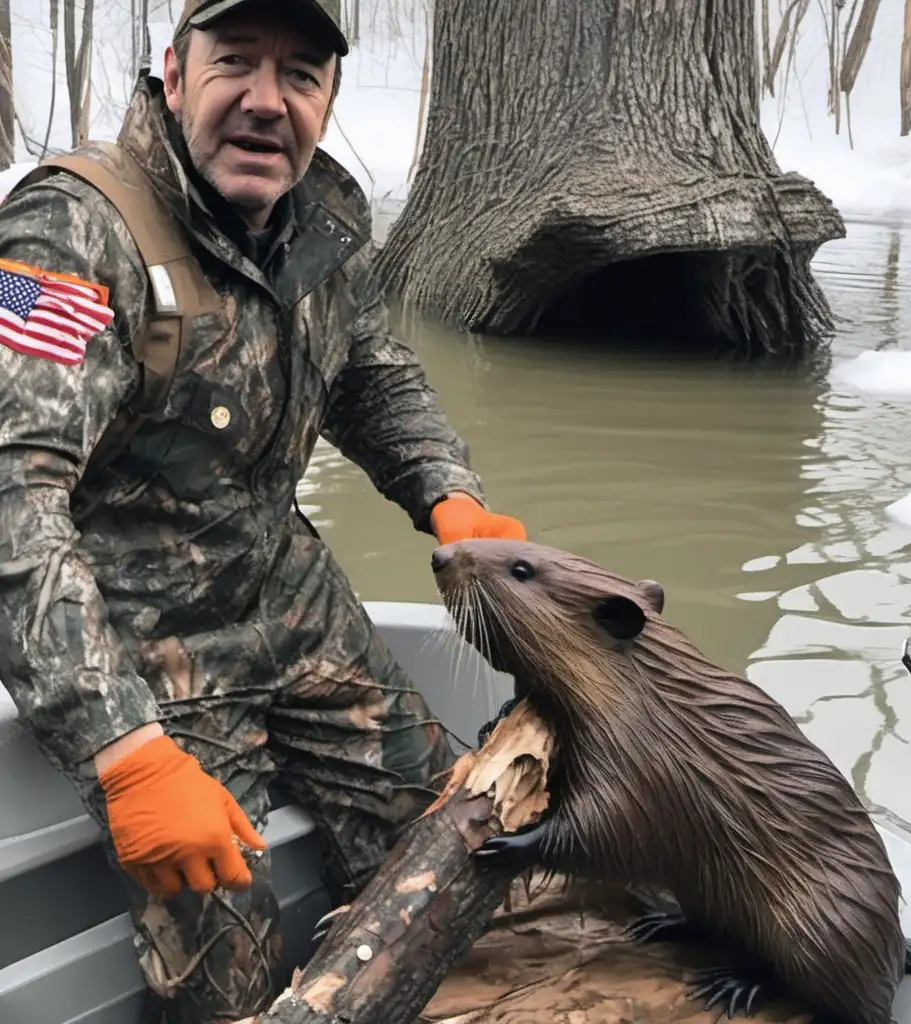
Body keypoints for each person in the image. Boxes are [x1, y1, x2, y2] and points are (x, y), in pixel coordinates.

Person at [0, 1, 526, 1021]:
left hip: (292, 601)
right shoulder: (69, 230)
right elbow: (9, 494)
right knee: (228, 987)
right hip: (146, 655)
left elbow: (372, 377)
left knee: (458, 841)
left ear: (327, 97)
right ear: (174, 70)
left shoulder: (322, 221)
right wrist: (123, 750)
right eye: (234, 61)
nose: (263, 100)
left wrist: (448, 496)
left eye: (298, 75)